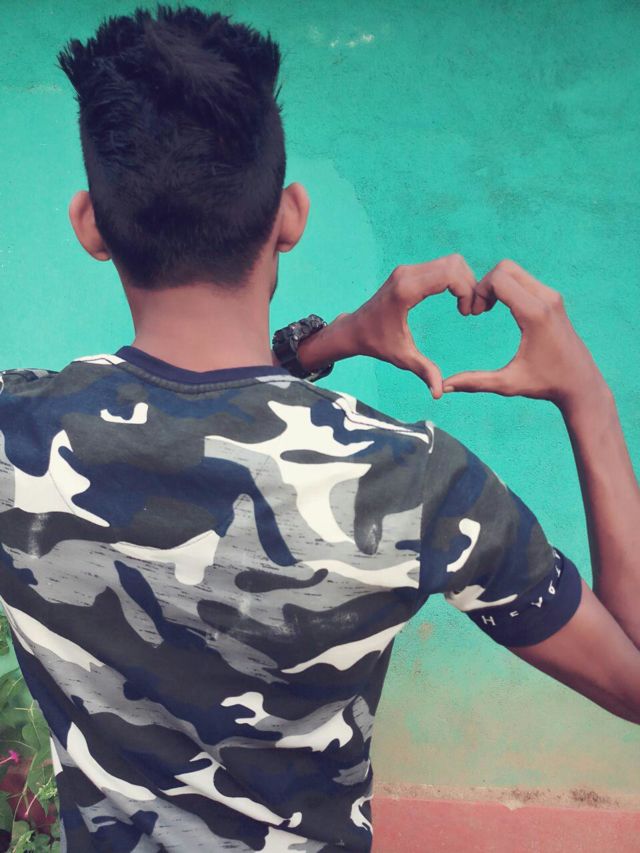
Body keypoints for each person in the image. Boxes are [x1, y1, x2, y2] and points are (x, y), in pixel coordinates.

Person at [0, 5, 638, 852]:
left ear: (90, 225)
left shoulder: (16, 431)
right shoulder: (413, 482)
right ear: (292, 215)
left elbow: (189, 406)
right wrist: (588, 397)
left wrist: (322, 345)